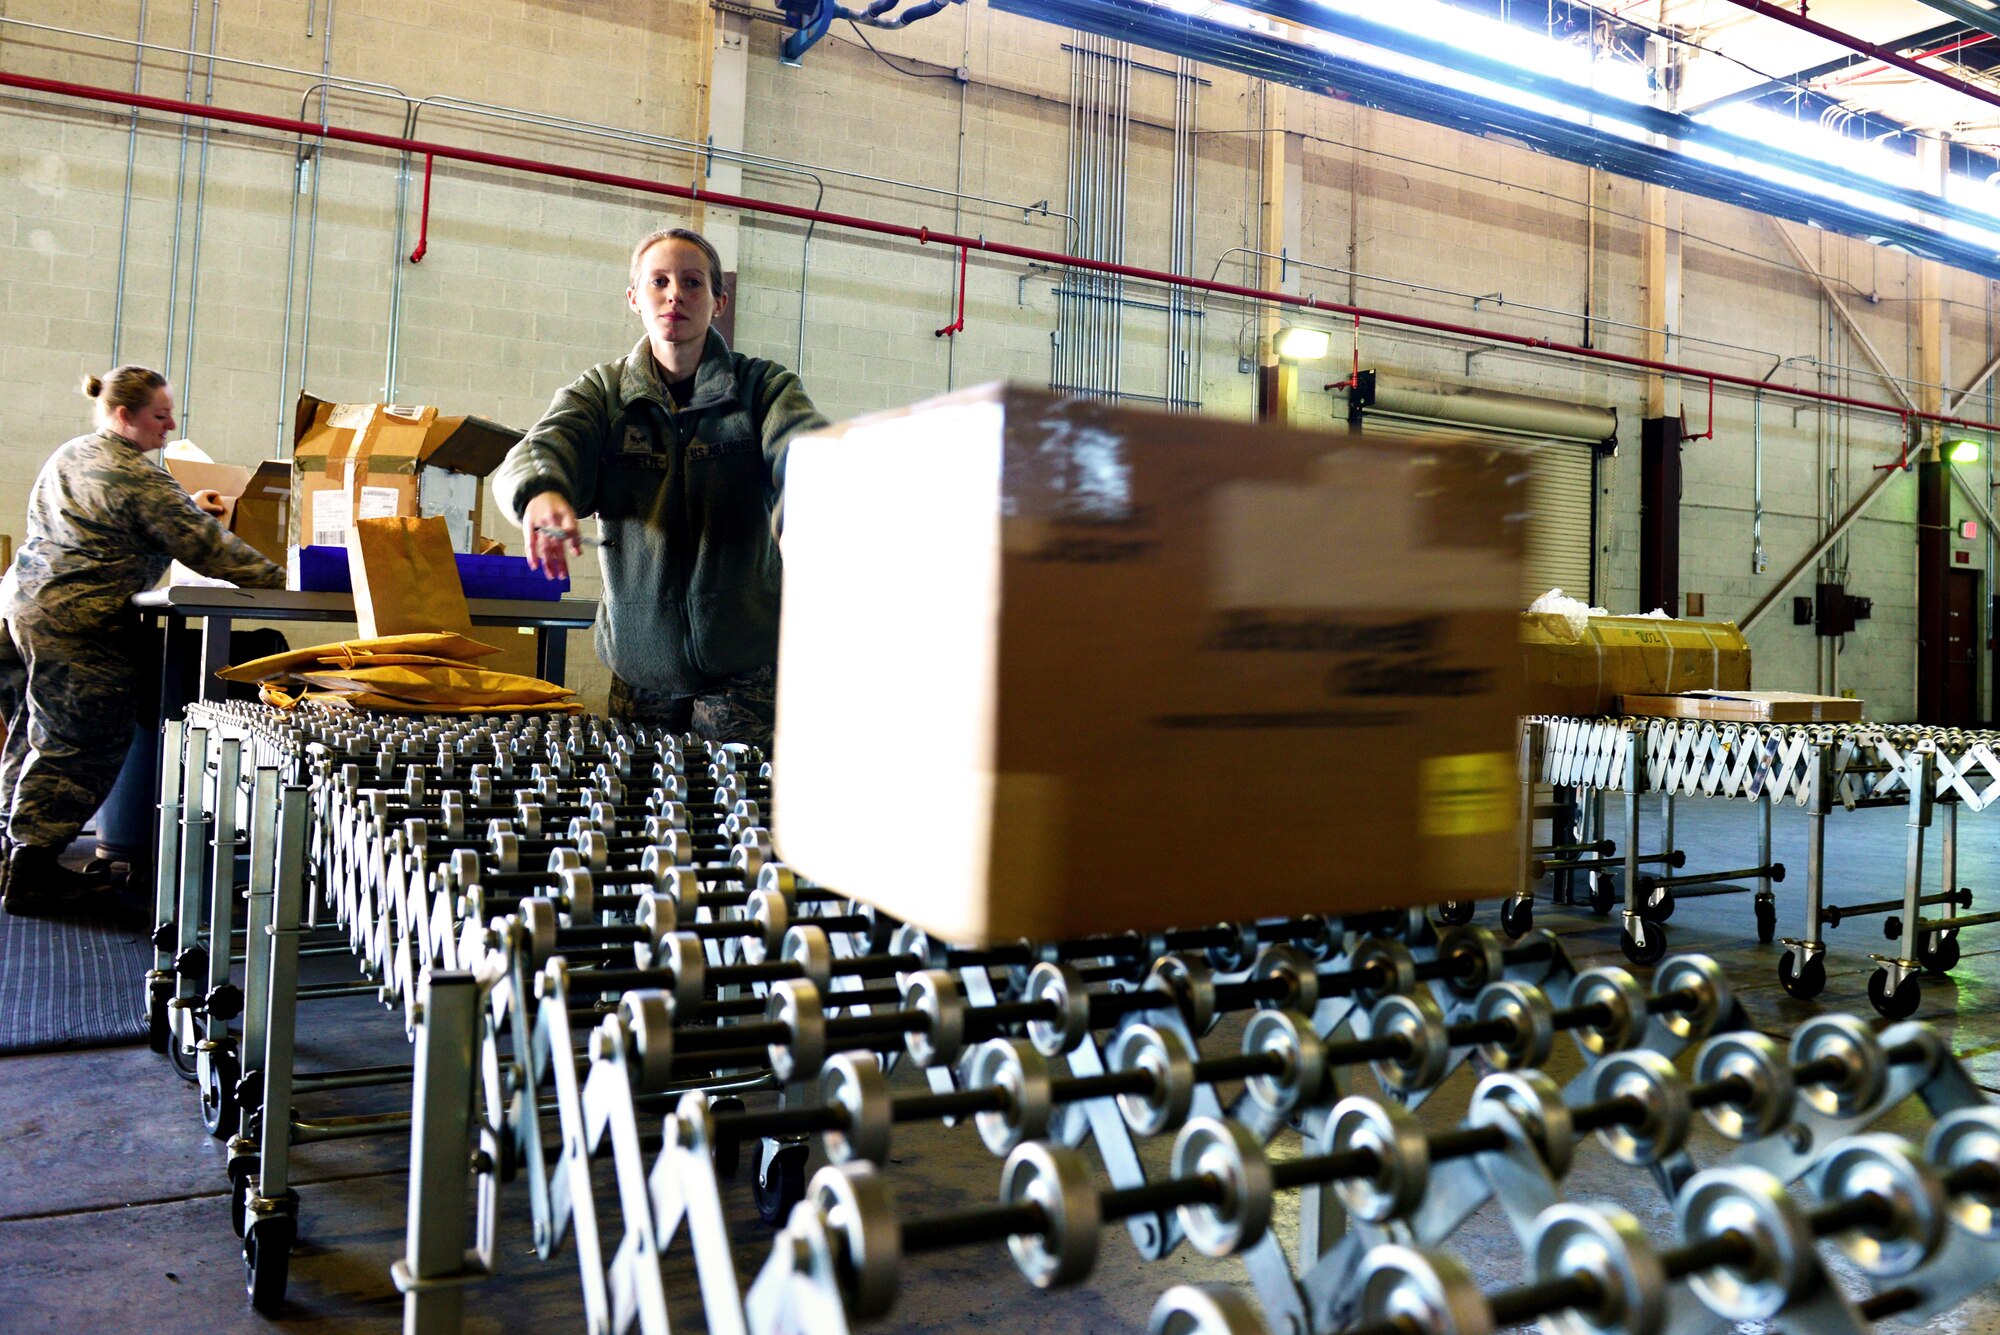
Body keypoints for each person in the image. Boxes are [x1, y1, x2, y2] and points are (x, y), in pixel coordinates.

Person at [495, 225, 829, 750]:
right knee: (636, 822)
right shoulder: (601, 395)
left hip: (745, 678)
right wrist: (541, 494)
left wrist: (810, 517)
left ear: (719, 301)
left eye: (693, 283)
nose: (676, 294)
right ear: (635, 298)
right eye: (659, 281)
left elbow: (806, 453)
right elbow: (542, 447)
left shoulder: (763, 389)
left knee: (741, 822)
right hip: (639, 676)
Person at [0, 366, 284, 915]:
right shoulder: (135, 475)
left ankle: (14, 857)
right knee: (81, 743)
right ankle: (34, 875)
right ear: (125, 415)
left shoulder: (75, 453)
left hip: (18, 608)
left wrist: (188, 506)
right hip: (75, 621)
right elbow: (213, 552)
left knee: (33, 737)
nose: (171, 425)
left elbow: (131, 518)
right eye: (159, 415)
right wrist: (296, 583)